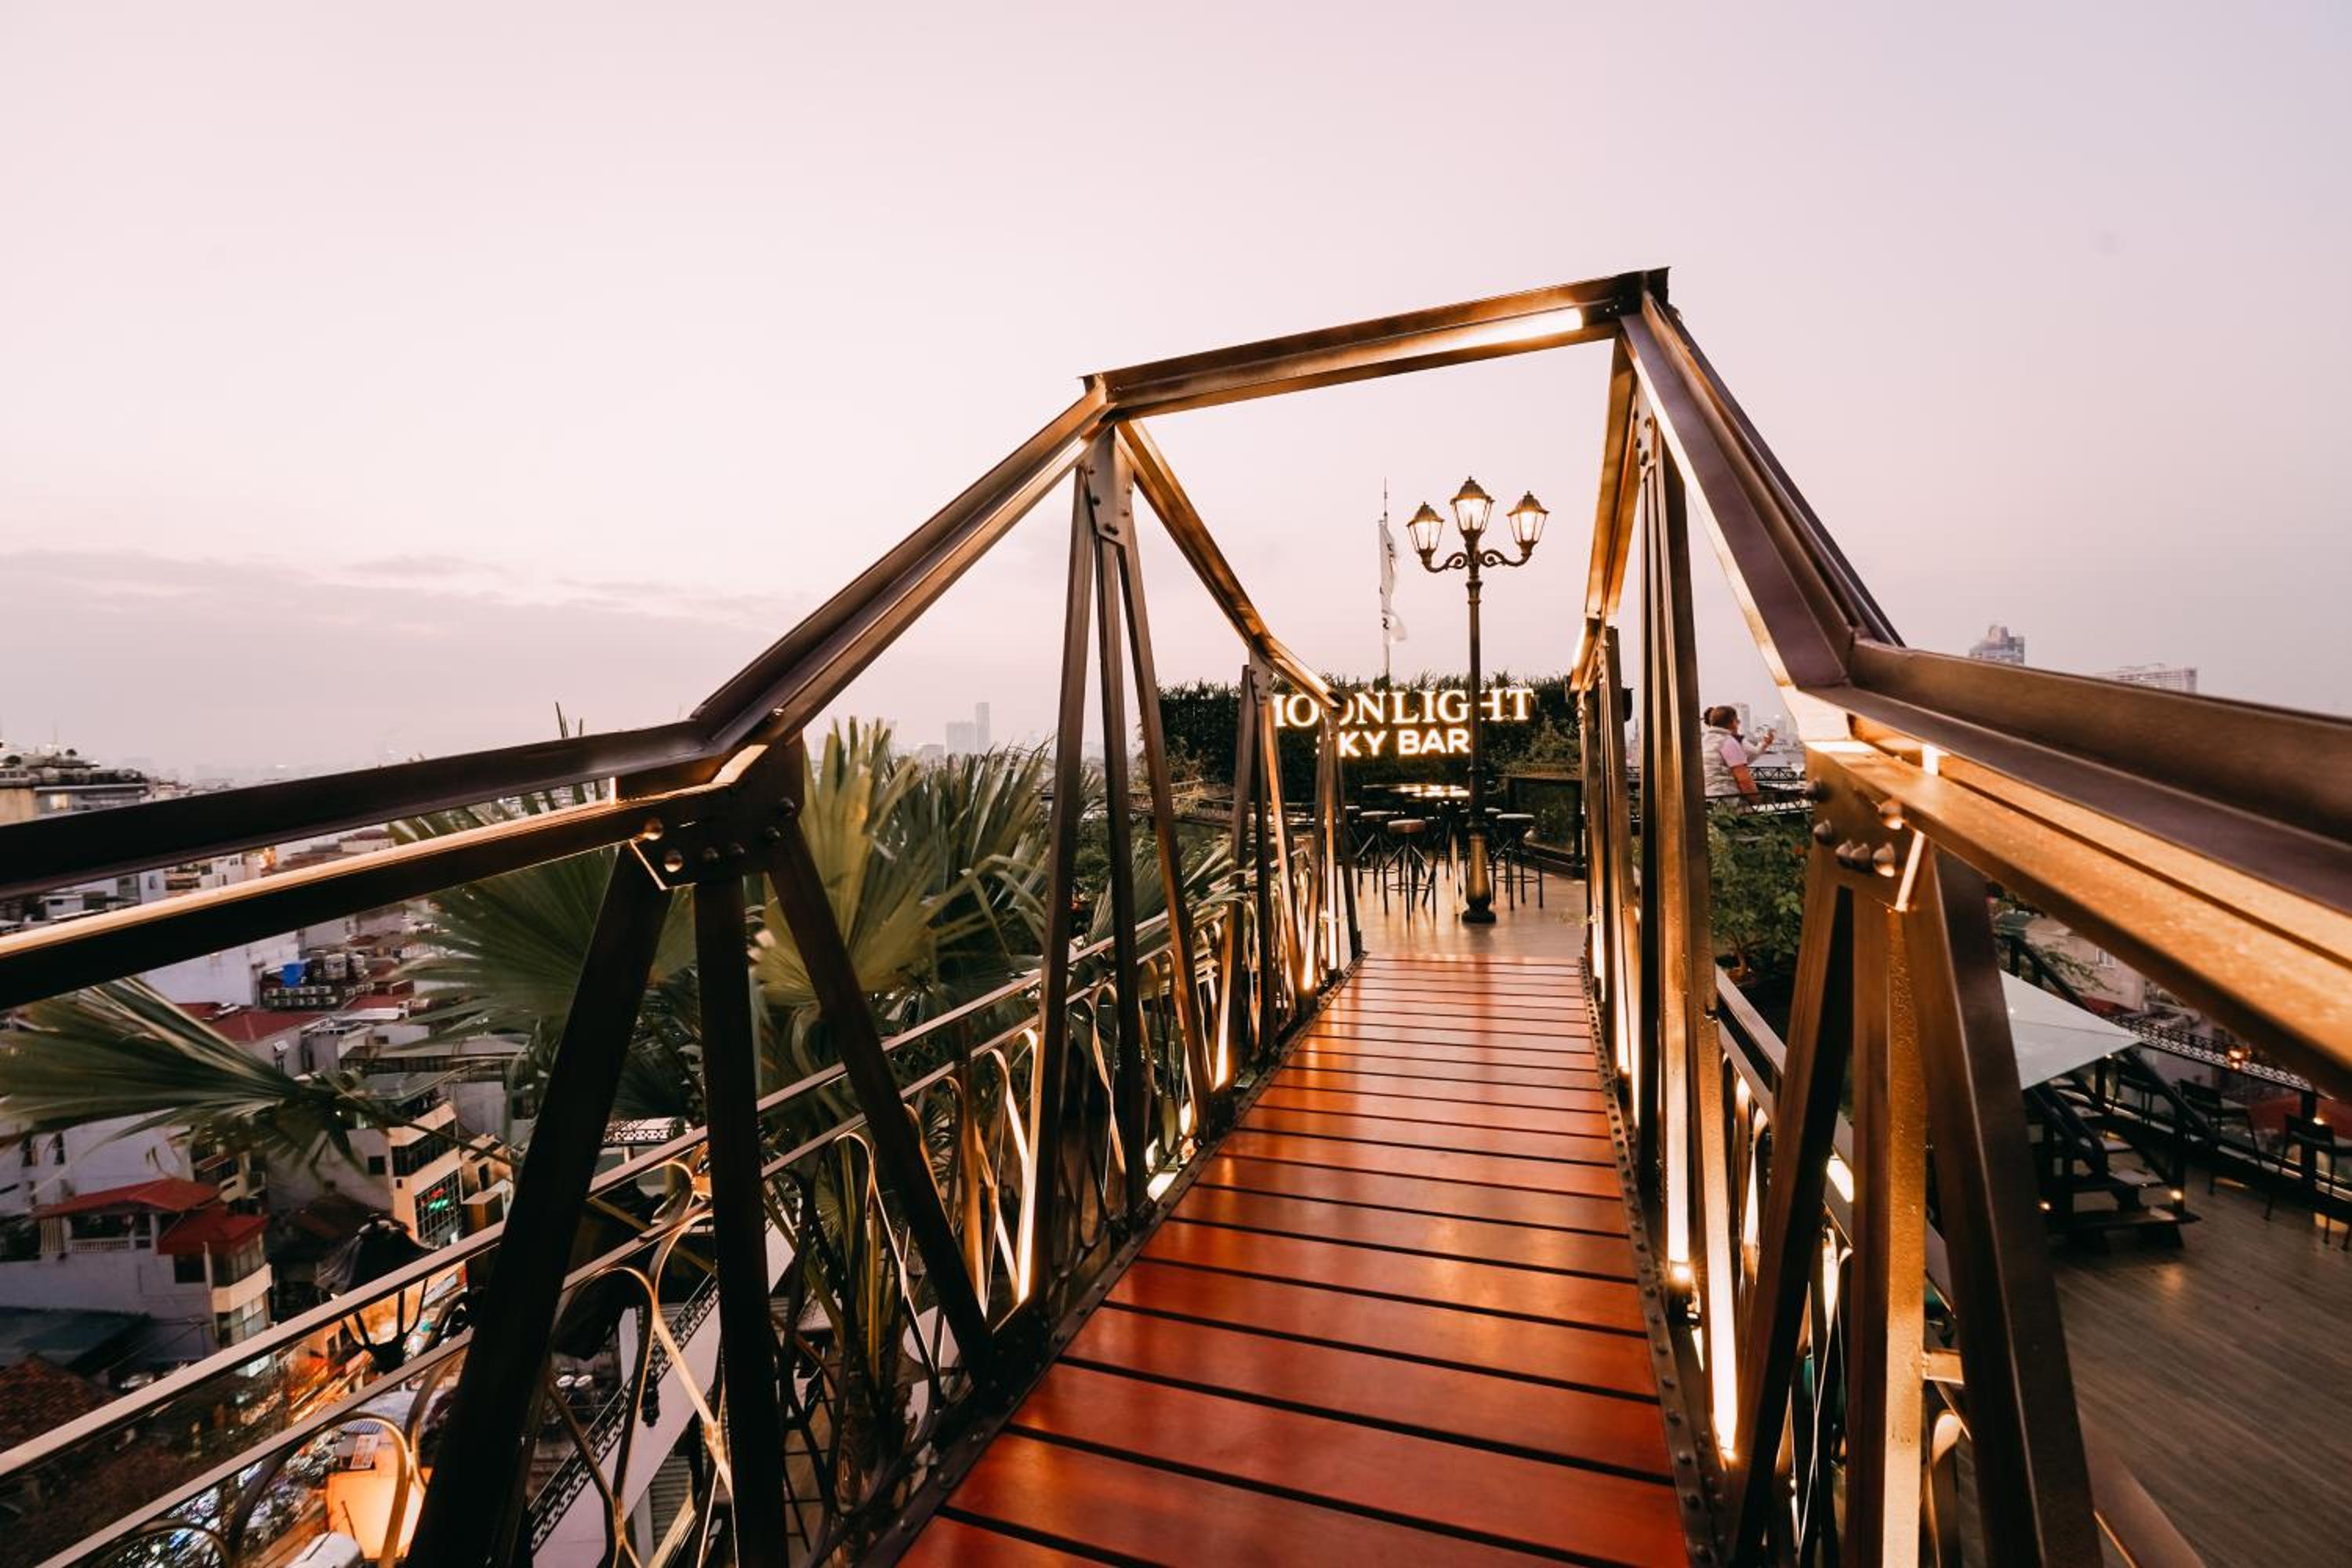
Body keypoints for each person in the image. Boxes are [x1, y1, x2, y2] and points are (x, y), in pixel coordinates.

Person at [1700, 705, 1775, 800]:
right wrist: (1757, 802)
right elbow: (1744, 779)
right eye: (1737, 721)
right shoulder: (1728, 741)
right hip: (1727, 799)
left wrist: (1764, 744)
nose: (1739, 723)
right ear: (1732, 723)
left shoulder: (1704, 741)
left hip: (1708, 798)